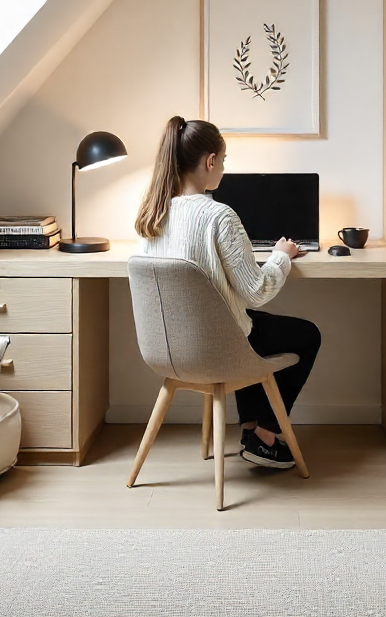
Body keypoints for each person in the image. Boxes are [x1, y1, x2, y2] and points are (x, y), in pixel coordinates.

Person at [135, 116, 321, 470]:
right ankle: (265, 436)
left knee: (249, 326)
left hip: (169, 348)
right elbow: (257, 289)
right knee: (305, 334)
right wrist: (281, 256)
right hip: (217, 346)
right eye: (223, 159)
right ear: (210, 161)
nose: (223, 167)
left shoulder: (152, 216)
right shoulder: (219, 216)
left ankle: (251, 428)